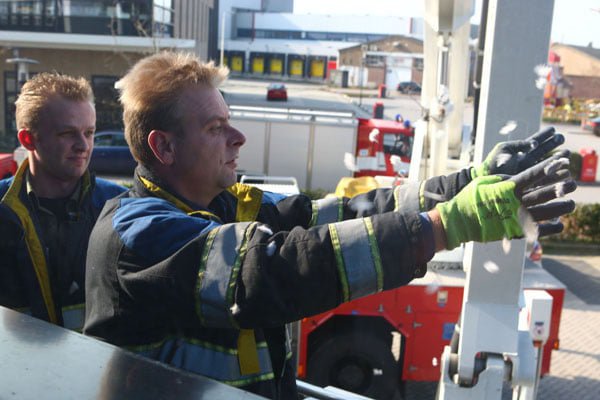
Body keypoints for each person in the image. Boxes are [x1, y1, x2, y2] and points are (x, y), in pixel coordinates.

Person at [83, 51, 576, 399]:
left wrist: (463, 183)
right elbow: (270, 271)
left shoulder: (225, 206)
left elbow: (334, 216)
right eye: (215, 128)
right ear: (164, 147)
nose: (238, 136)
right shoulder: (138, 235)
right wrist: (445, 226)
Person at [0, 73, 126, 330]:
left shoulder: (119, 207)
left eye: (89, 133)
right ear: (28, 139)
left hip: (96, 356)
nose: (83, 145)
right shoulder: (4, 211)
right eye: (67, 133)